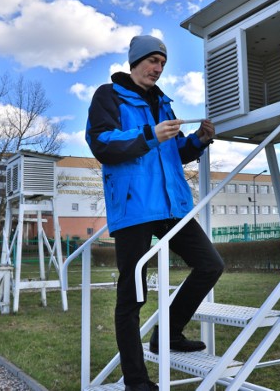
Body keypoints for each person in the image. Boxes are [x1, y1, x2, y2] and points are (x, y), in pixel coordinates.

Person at [86, 35, 225, 391]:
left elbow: (174, 152)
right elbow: (101, 144)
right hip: (134, 207)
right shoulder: (109, 95)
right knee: (132, 295)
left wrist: (198, 140)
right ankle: (136, 380)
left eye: (162, 62)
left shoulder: (164, 102)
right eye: (152, 61)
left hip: (170, 205)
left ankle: (168, 334)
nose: (157, 68)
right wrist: (150, 134)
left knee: (210, 264)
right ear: (135, 61)